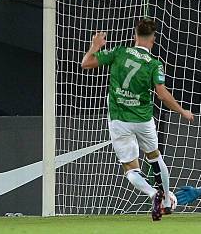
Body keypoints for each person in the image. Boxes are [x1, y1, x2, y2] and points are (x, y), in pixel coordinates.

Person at [81, 19, 194, 221]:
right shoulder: (153, 64)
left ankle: (153, 194)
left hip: (119, 120)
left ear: (135, 36)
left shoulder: (118, 52)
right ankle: (166, 202)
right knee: (155, 157)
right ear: (153, 39)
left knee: (131, 168)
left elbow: (86, 63)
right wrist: (182, 111)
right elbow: (162, 94)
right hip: (143, 119)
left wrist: (95, 46)